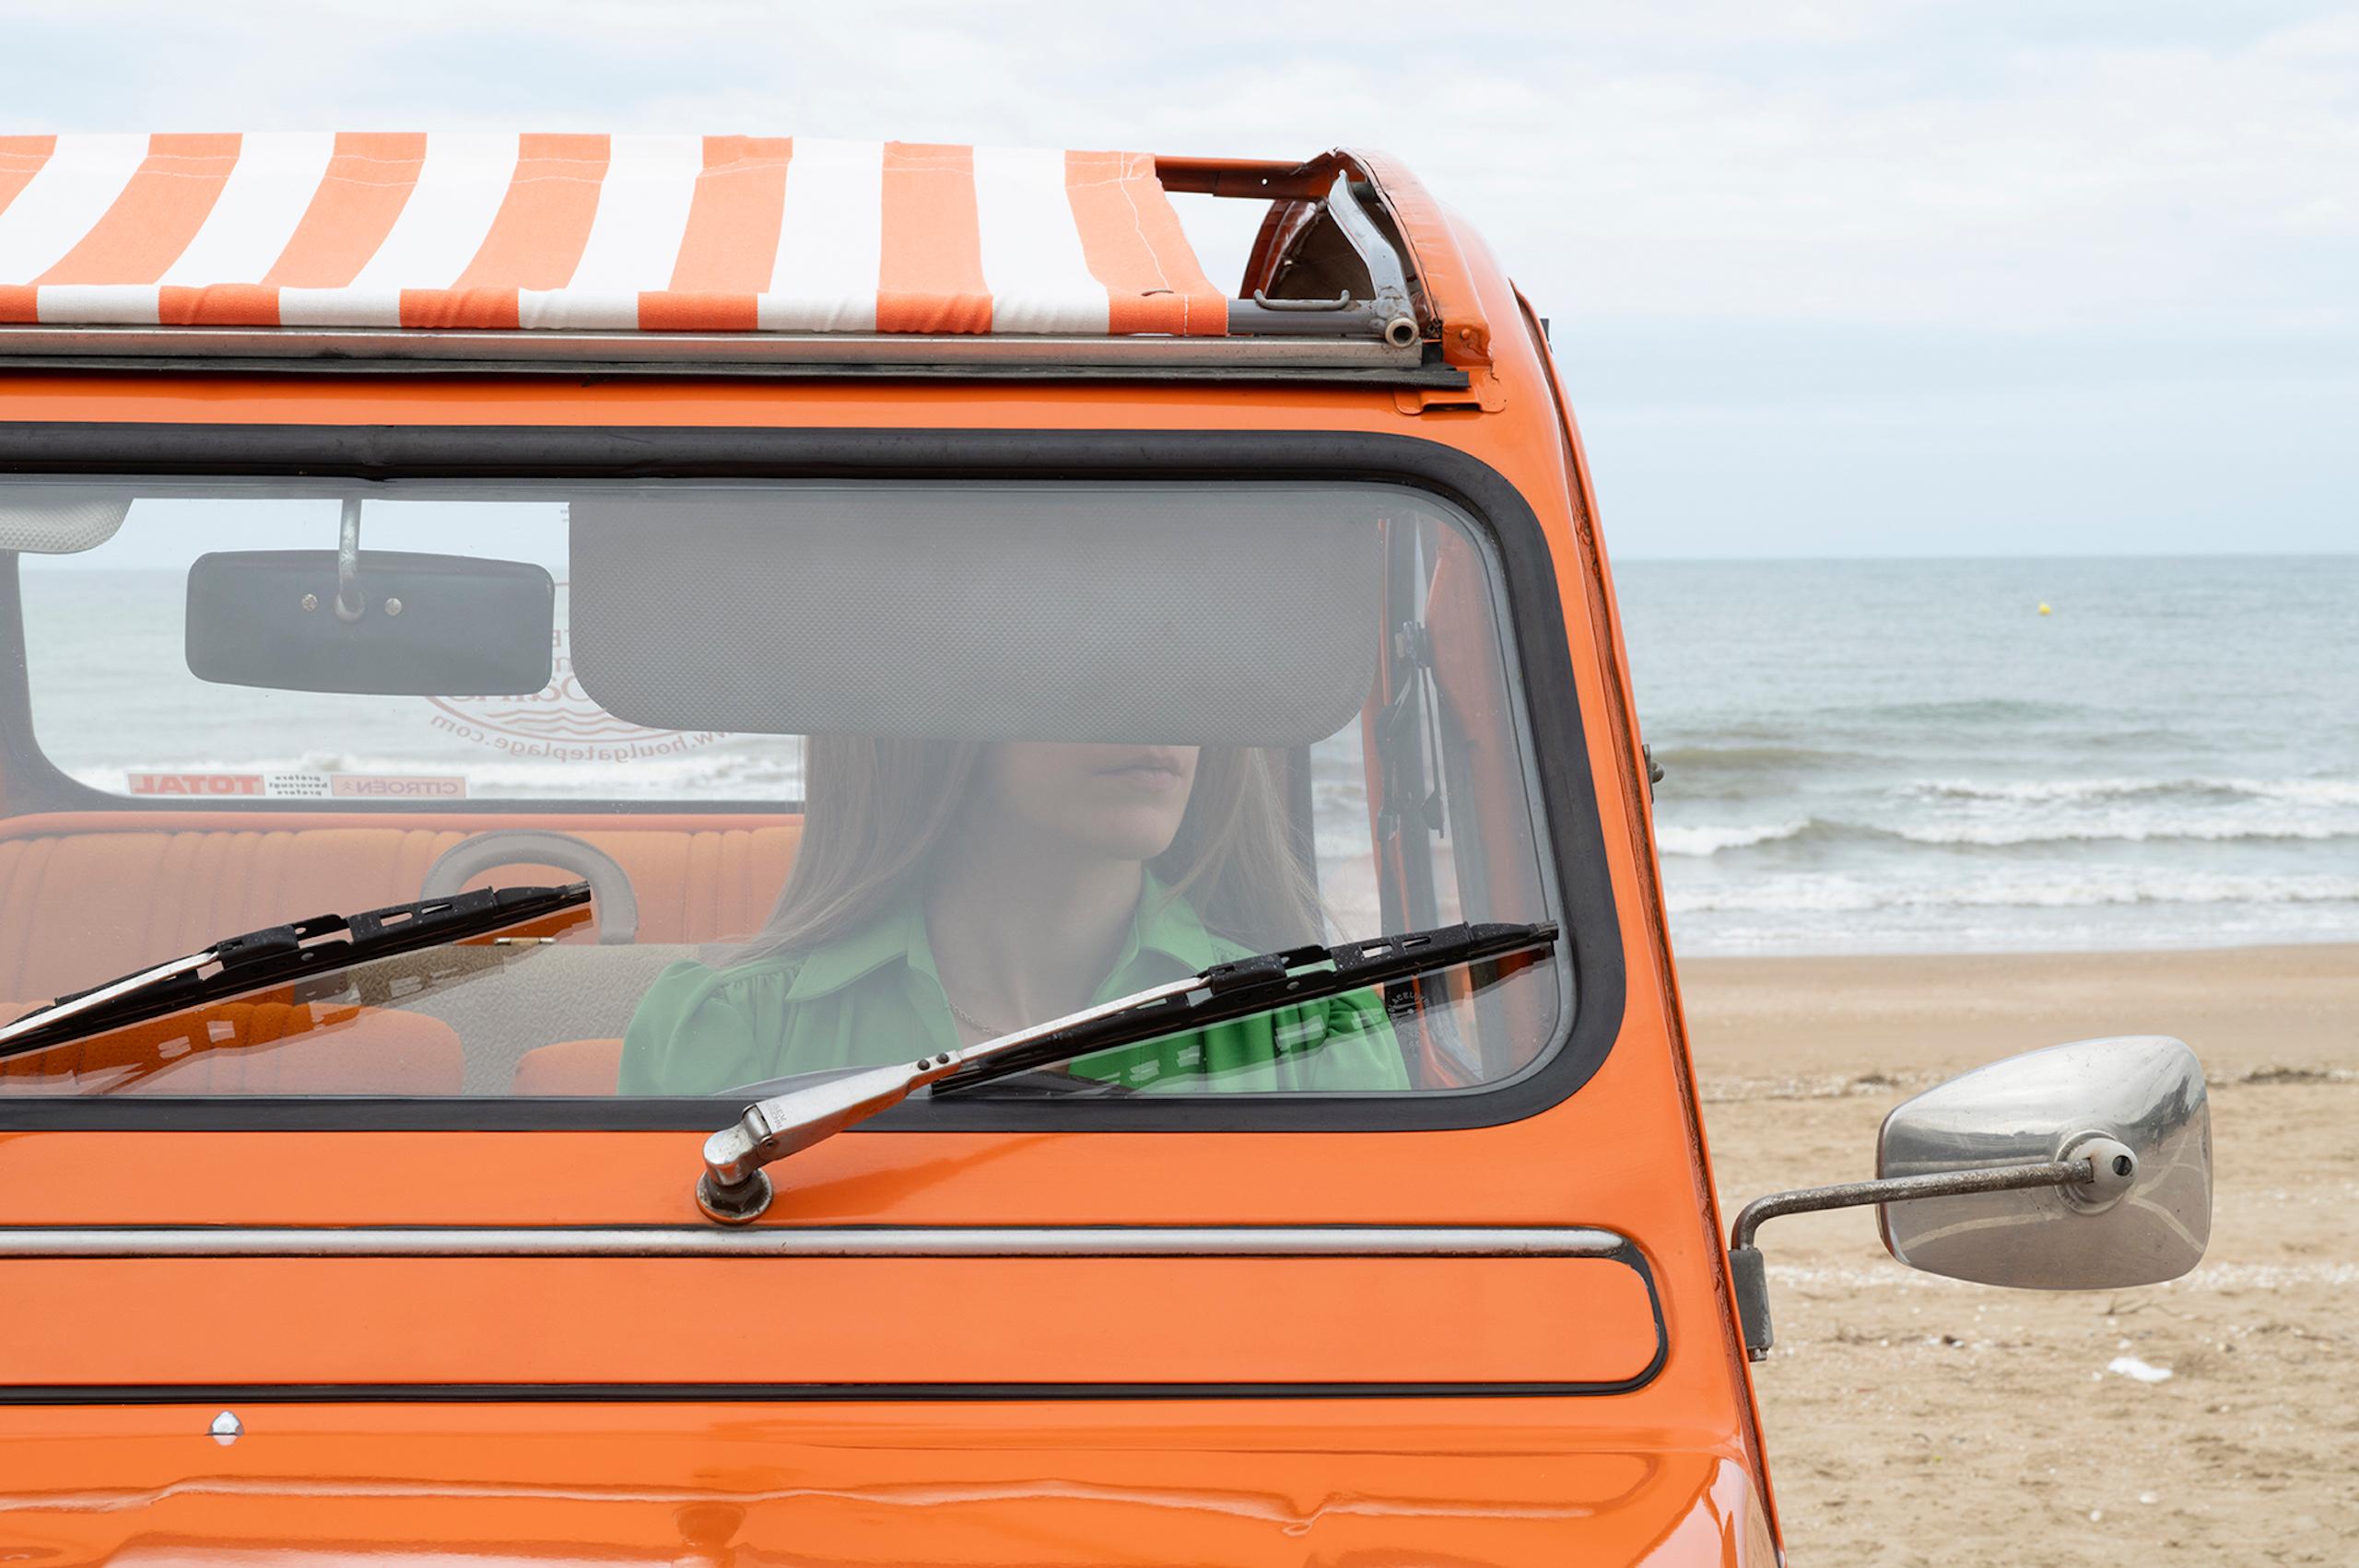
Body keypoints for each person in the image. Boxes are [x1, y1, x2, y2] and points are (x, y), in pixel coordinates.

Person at [620, 738, 1408, 1095]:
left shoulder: (1321, 1033)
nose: (1156, 708)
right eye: (1082, 661)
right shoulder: (728, 1034)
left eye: (1182, 661)